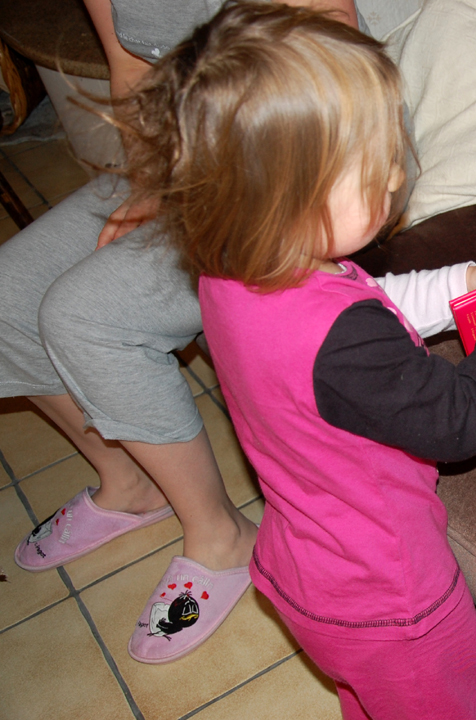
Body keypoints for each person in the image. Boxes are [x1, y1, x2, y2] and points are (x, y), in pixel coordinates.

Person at [113, 2, 476, 717]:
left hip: (310, 571)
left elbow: (369, 305)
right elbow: (459, 419)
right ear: (290, 192)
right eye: (375, 161)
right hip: (392, 599)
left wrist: (464, 283)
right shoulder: (341, 341)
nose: (396, 174)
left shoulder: (236, 273)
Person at [0, 0, 361, 664]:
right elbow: (130, 66)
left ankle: (222, 535)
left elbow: (333, 41)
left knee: (83, 314)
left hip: (301, 155)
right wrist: (150, 186)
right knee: (5, 297)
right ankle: (130, 483)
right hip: (187, 163)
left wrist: (222, 190)